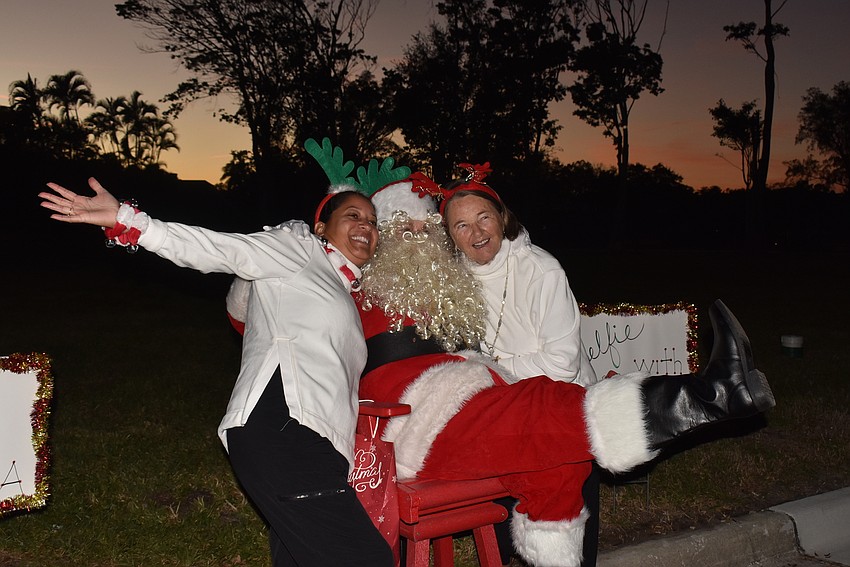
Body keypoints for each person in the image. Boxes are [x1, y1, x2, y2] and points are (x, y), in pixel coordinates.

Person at [227, 171, 775, 567]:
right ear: (384, 240)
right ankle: (710, 396)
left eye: (426, 230)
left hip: (474, 399)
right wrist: (290, 251)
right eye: (403, 231)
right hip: (410, 418)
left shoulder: (457, 284)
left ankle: (546, 557)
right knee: (540, 408)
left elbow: (502, 269)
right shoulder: (346, 285)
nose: (418, 240)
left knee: (556, 460)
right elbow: (248, 307)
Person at [39, 178, 393, 567]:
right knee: (365, 557)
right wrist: (130, 221)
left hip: (320, 446)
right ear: (321, 227)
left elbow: (244, 307)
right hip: (285, 429)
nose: (366, 226)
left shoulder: (336, 289)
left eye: (373, 221)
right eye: (353, 215)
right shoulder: (299, 248)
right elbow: (221, 249)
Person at [439, 163, 600, 566]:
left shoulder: (541, 269)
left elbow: (561, 363)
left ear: (502, 217)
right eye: (461, 226)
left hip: (564, 405)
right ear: (450, 237)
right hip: (506, 410)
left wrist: (491, 369)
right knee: (498, 519)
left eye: (483, 218)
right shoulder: (450, 280)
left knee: (567, 522)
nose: (476, 233)